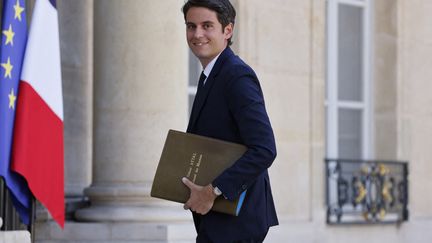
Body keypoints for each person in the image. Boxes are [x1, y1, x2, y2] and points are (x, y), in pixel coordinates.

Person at [181, 0, 278, 242]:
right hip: (220, 220)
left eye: (207, 25)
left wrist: (212, 191)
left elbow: (264, 149)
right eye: (191, 26)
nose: (197, 34)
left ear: (227, 30)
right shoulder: (211, 75)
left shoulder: (236, 76)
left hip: (237, 221)